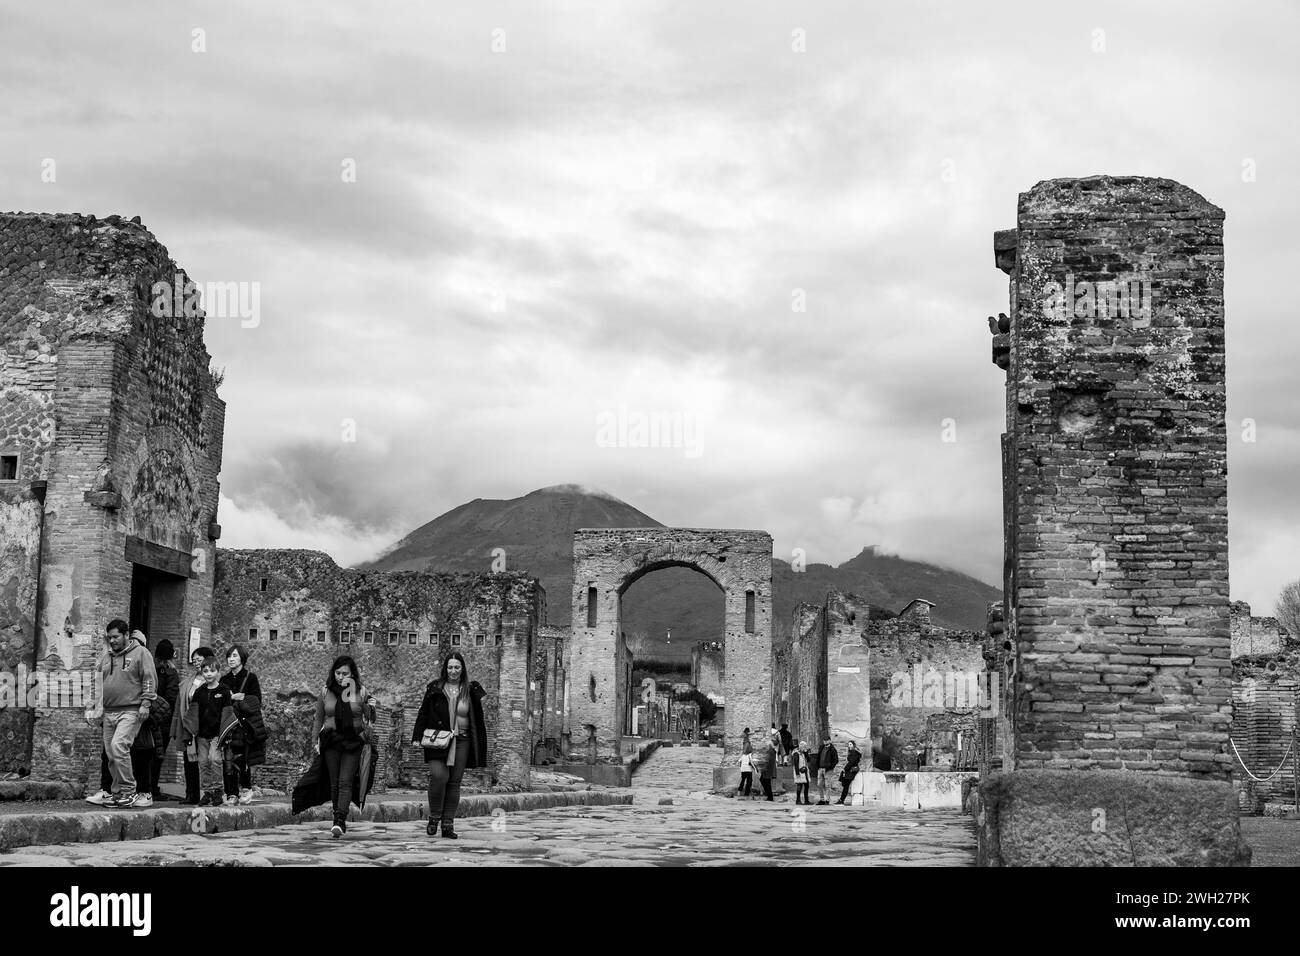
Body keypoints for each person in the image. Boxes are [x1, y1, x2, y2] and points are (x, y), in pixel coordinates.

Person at [412, 652, 488, 838]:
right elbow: (423, 713)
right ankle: (434, 817)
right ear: (445, 669)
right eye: (450, 667)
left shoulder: (470, 690)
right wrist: (416, 736)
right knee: (439, 776)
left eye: (457, 667)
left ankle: (448, 824)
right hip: (437, 740)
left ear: (462, 669)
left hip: (462, 741)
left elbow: (478, 719)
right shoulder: (435, 688)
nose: (453, 671)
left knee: (454, 782)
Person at [96, 620, 157, 809]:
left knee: (119, 745)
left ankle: (129, 791)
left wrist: (146, 703)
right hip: (109, 712)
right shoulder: (106, 657)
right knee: (111, 753)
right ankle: (117, 793)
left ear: (126, 635)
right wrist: (96, 707)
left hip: (130, 710)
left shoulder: (141, 653)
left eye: (115, 637)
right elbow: (98, 683)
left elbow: (148, 677)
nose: (112, 641)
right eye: (110, 638)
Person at [312, 656, 374, 838]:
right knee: (334, 782)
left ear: (352, 673)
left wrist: (371, 707)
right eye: (338, 673)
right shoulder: (326, 691)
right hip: (331, 740)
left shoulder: (361, 691)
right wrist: (315, 740)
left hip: (353, 740)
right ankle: (336, 817)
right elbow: (318, 718)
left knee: (345, 781)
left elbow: (370, 718)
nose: (340, 677)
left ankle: (340, 819)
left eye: (344, 673)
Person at [220, 645, 265, 805]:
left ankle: (246, 788)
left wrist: (241, 698)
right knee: (228, 758)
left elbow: (256, 700)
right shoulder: (224, 680)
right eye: (229, 656)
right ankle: (231, 792)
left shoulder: (250, 677)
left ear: (242, 659)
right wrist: (229, 698)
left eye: (234, 656)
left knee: (243, 758)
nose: (231, 659)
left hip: (244, 725)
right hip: (229, 725)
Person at [189, 657, 232, 806]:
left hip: (217, 734)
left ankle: (218, 791)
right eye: (205, 671)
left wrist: (225, 734)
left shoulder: (224, 691)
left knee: (215, 759)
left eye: (212, 671)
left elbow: (227, 713)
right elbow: (193, 713)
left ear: (218, 672)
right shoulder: (199, 692)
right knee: (203, 762)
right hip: (201, 734)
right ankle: (207, 792)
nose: (208, 674)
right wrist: (190, 731)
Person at [173, 646, 214, 804]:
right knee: (189, 760)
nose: (197, 663)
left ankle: (209, 793)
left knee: (205, 761)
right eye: (195, 660)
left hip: (204, 726)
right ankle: (191, 794)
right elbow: (180, 703)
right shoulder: (188, 681)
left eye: (200, 660)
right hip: (188, 725)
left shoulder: (211, 679)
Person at [148, 639, 180, 800]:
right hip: (164, 720)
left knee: (146, 753)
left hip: (148, 717)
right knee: (158, 755)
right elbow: (172, 697)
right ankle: (153, 788)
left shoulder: (150, 669)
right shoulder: (171, 672)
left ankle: (145, 787)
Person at [815, 735, 839, 805]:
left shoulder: (832, 749)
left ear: (829, 740)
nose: (825, 741)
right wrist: (817, 766)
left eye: (827, 740)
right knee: (819, 784)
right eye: (824, 740)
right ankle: (822, 799)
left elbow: (836, 760)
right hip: (820, 769)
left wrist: (830, 767)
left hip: (828, 770)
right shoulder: (821, 747)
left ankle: (827, 800)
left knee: (827, 785)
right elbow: (818, 757)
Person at [837, 740, 862, 805]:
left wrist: (845, 769)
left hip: (852, 770)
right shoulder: (852, 752)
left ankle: (841, 800)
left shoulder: (854, 752)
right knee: (845, 785)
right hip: (850, 770)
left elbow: (851, 762)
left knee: (846, 785)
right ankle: (841, 800)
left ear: (853, 745)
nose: (849, 746)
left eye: (850, 744)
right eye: (849, 744)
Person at [792, 738, 811, 805]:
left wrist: (806, 753)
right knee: (799, 785)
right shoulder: (796, 753)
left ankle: (806, 800)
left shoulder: (803, 753)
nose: (805, 748)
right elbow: (796, 764)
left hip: (805, 771)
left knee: (806, 786)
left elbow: (808, 760)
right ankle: (798, 800)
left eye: (805, 747)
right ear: (801, 746)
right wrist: (797, 773)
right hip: (799, 771)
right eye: (804, 747)